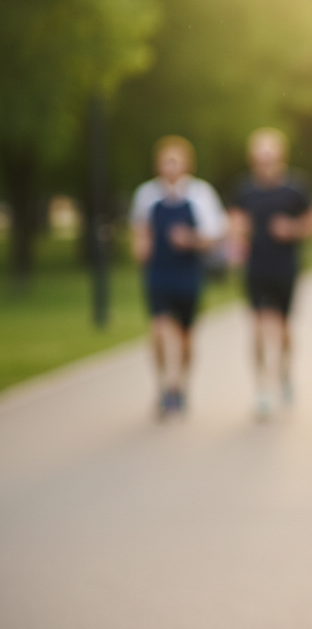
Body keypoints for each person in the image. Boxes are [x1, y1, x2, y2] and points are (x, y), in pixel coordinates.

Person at [228, 128, 312, 420]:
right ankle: (261, 388)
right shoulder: (244, 189)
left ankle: (283, 373)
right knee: (257, 327)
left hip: (285, 267)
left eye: (269, 155)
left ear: (280, 157)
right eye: (260, 156)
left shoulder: (296, 187)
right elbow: (233, 222)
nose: (265, 161)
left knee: (283, 329)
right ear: (253, 158)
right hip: (256, 268)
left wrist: (293, 229)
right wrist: (237, 235)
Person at [129, 136, 227, 418]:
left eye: (175, 160)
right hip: (159, 271)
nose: (169, 167)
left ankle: (180, 385)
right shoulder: (146, 195)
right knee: (159, 328)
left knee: (186, 336)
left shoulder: (200, 194)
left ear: (186, 164)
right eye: (165, 161)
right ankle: (163, 386)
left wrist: (191, 240)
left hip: (188, 272)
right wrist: (141, 245)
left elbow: (216, 235)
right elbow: (140, 228)